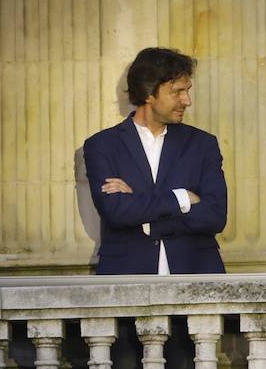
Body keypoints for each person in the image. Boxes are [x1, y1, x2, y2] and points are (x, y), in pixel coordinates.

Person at [83, 47, 228, 274]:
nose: (187, 100)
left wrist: (146, 218)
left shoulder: (203, 144)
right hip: (127, 280)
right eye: (177, 92)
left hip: (196, 276)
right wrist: (183, 198)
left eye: (187, 90)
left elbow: (214, 215)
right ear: (148, 93)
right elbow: (116, 212)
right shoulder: (102, 146)